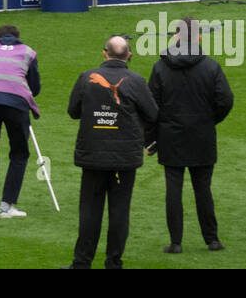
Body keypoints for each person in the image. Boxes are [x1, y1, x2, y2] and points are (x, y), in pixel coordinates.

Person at [67, 34, 157, 269]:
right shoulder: (136, 80)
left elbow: (73, 111)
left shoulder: (87, 78)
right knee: (119, 211)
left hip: (94, 155)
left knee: (89, 211)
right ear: (129, 55)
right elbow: (153, 114)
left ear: (104, 53)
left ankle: (82, 262)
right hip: (124, 158)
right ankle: (114, 262)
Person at [148, 16, 234, 254]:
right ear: (198, 37)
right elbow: (225, 100)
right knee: (203, 188)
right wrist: (210, 120)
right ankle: (212, 239)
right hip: (202, 134)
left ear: (176, 36)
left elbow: (151, 105)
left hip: (170, 135)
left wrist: (152, 138)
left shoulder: (161, 67)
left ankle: (176, 242)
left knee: (173, 189)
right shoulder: (210, 66)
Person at [0, 23, 41, 220]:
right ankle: (6, 206)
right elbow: (35, 86)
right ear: (17, 37)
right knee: (19, 153)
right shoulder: (28, 52)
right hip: (16, 102)